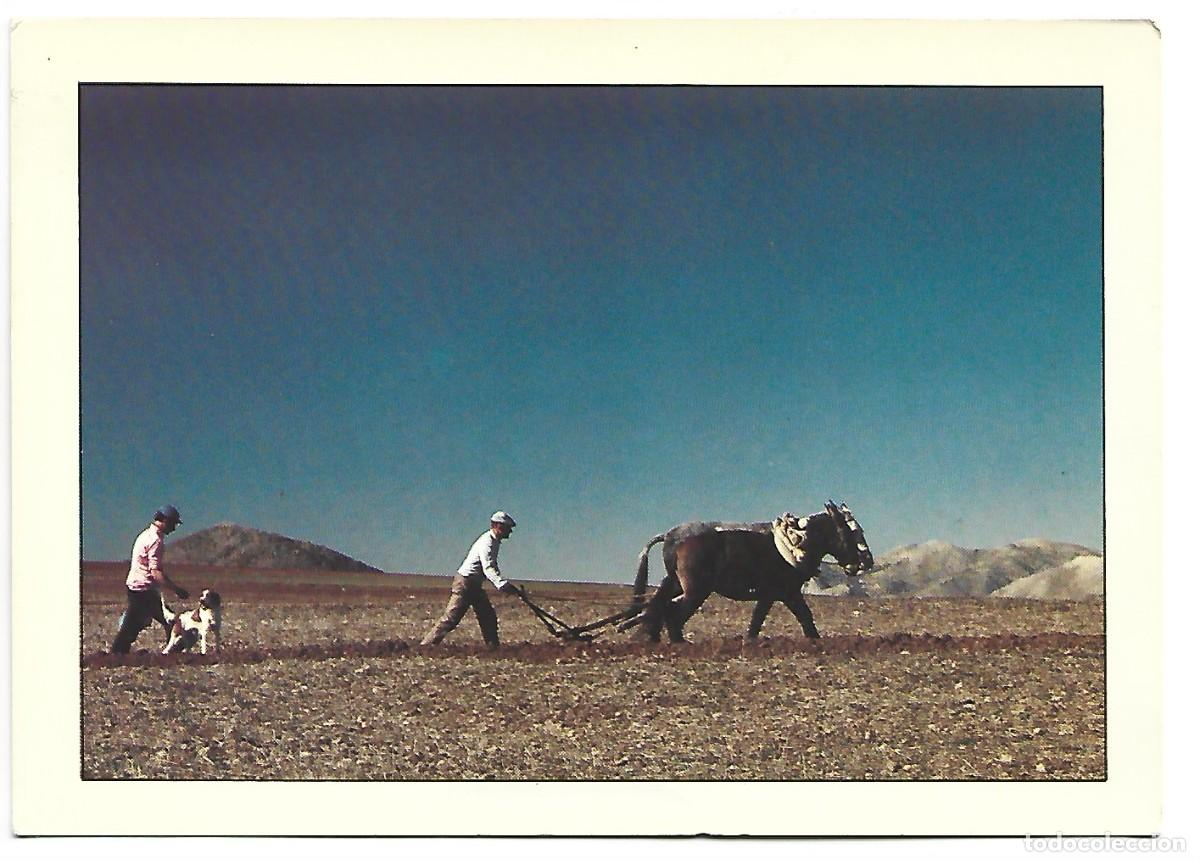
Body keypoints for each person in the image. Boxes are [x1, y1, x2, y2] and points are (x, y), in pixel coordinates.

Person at [420, 511, 520, 647]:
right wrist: (502, 584)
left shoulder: (494, 542)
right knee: (451, 618)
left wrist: (503, 583)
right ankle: (426, 646)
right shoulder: (488, 542)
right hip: (465, 583)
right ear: (498, 526)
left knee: (487, 616)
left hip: (474, 584)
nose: (510, 531)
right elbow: (488, 567)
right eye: (508, 528)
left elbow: (492, 566)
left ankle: (493, 648)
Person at [111, 505, 191, 654]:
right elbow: (155, 572)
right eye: (173, 523)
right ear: (165, 521)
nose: (174, 528)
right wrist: (176, 589)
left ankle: (173, 648)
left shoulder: (146, 535)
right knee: (133, 625)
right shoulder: (155, 541)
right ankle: (116, 655)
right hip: (143, 589)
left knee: (165, 619)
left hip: (137, 586)